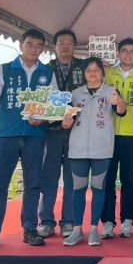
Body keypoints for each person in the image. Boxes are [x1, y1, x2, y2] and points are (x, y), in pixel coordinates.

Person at [0, 28, 57, 250]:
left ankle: (29, 229)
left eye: (38, 46)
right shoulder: (4, 69)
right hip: (6, 134)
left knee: (33, 184)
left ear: (43, 49)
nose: (34, 49)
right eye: (30, 44)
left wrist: (43, 118)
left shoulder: (47, 72)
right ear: (21, 45)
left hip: (35, 136)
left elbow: (54, 104)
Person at [62, 57, 126, 246]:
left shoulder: (111, 92)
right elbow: (66, 123)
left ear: (102, 73)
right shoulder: (74, 94)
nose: (93, 73)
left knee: (99, 188)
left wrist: (119, 101)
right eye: (89, 70)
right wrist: (65, 122)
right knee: (78, 189)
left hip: (102, 150)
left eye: (96, 70)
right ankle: (77, 230)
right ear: (84, 74)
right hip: (78, 150)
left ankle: (93, 230)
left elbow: (122, 111)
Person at [37, 29, 84, 239]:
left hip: (77, 130)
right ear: (54, 46)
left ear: (75, 46)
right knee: (49, 177)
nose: (65, 46)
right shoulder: (45, 69)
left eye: (69, 43)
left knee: (72, 179)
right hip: (51, 131)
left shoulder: (84, 67)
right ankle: (46, 221)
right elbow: (38, 98)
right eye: (61, 43)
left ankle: (69, 221)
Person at [101, 37, 133, 239]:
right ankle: (107, 222)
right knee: (107, 180)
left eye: (132, 51)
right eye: (124, 51)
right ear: (118, 53)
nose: (128, 54)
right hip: (107, 133)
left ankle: (128, 220)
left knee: (128, 179)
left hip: (132, 134)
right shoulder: (108, 73)